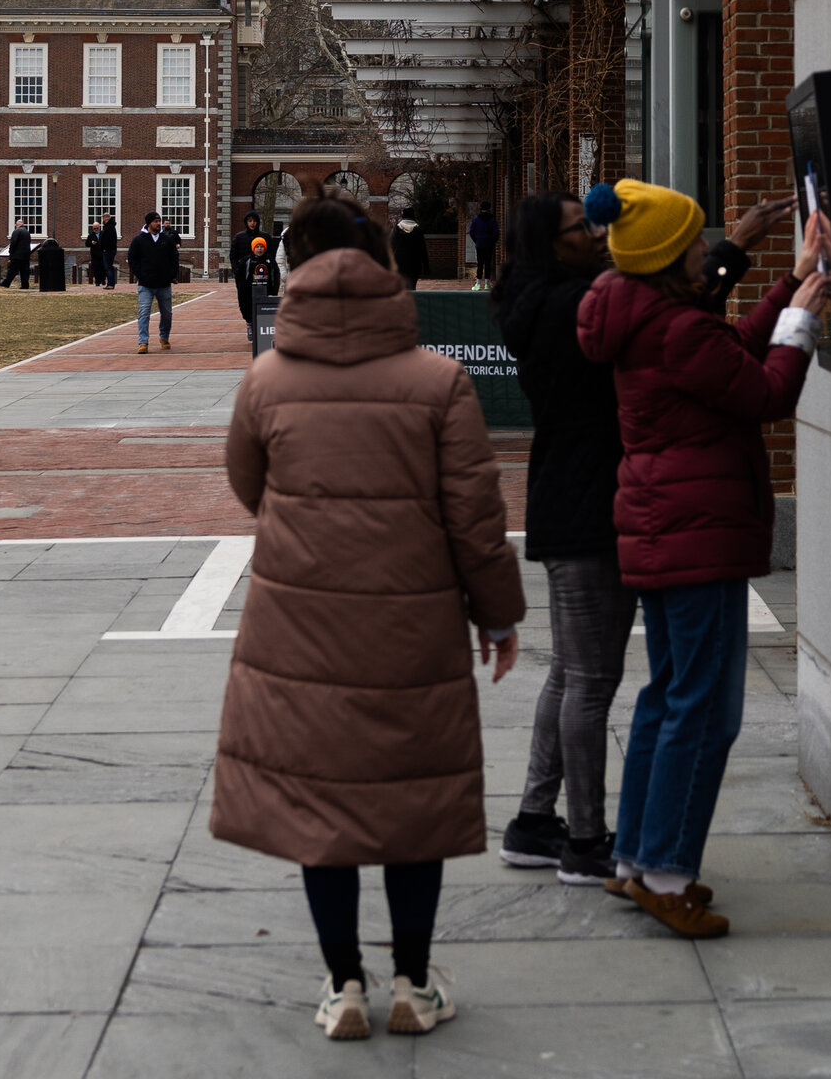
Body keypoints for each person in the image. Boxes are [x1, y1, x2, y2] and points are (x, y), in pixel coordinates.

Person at [212, 183, 526, 1042]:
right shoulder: (440, 381)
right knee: (409, 803)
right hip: (412, 622)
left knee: (323, 810)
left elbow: (249, 487)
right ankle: (412, 984)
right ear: (390, 271)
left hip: (299, 624)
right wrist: (497, 616)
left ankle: (342, 982)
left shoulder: (267, 379)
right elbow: (475, 514)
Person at [576, 179, 831, 939]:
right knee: (705, 711)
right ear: (667, 257)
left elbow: (728, 353)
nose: (705, 248)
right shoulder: (673, 328)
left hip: (667, 528)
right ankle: (665, 872)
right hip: (698, 533)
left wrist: (792, 280)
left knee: (667, 698)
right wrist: (802, 324)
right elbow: (762, 391)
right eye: (694, 241)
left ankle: (635, 858)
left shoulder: (648, 314)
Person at [491, 192, 636, 884]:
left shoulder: (545, 302)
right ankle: (583, 840)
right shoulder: (571, 306)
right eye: (584, 228)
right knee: (592, 680)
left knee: (570, 673)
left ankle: (534, 822)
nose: (598, 234)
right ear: (555, 245)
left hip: (565, 496)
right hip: (588, 504)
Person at [127, 211, 180, 353]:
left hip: (164, 284)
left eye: (159, 221)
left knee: (167, 313)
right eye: (156, 221)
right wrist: (141, 275)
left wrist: (170, 275)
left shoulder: (167, 240)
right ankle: (143, 342)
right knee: (144, 312)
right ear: (149, 223)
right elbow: (132, 260)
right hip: (145, 284)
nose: (158, 224)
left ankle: (164, 337)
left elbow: (174, 258)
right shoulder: (138, 240)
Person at [229, 210, 263, 322]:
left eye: (254, 221)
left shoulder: (264, 237)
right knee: (244, 302)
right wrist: (237, 271)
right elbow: (233, 256)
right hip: (243, 276)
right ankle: (249, 322)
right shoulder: (239, 237)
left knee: (261, 300)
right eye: (250, 221)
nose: (252, 223)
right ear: (246, 222)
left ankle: (258, 325)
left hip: (260, 275)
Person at [391, 212, 430, 289]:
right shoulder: (418, 229)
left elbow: (391, 246)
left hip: (400, 262)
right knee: (412, 286)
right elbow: (423, 249)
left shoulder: (397, 228)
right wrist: (426, 267)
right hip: (415, 262)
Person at [468, 203, 499, 285]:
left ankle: (478, 283)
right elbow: (496, 232)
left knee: (480, 263)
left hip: (479, 243)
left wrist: (476, 240)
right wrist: (493, 241)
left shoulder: (476, 219)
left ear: (481, 209)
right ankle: (487, 284)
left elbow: (471, 231)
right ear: (489, 209)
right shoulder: (492, 219)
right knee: (488, 263)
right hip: (489, 243)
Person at [0, 219, 32, 290]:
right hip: (26, 255)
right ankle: (25, 285)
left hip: (17, 255)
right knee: (24, 271)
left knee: (12, 270)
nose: (15, 226)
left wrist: (11, 252)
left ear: (17, 225)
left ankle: (6, 283)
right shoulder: (27, 232)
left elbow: (13, 242)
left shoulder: (16, 231)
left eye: (15, 224)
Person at [98, 213, 119, 289]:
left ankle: (110, 284)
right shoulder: (110, 227)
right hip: (110, 250)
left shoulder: (109, 228)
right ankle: (110, 283)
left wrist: (105, 248)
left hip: (108, 251)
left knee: (108, 267)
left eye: (103, 219)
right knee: (109, 267)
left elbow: (108, 240)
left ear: (106, 219)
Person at [86, 221, 105, 287]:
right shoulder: (91, 235)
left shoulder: (103, 233)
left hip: (102, 254)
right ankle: (97, 281)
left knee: (103, 268)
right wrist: (91, 243)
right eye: (94, 229)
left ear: (99, 227)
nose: (96, 230)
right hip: (95, 255)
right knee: (96, 268)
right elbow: (87, 244)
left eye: (97, 228)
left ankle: (103, 280)